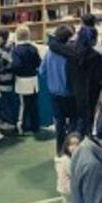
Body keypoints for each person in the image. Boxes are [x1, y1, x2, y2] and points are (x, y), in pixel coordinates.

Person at [65, 27, 102, 136]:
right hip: (92, 92)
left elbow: (68, 73)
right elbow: (101, 76)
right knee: (90, 120)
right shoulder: (95, 56)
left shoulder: (71, 54)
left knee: (76, 120)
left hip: (76, 91)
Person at [41, 25, 75, 153]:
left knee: (59, 123)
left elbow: (42, 71)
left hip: (54, 92)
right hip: (69, 93)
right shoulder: (70, 53)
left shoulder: (49, 53)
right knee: (73, 122)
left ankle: (59, 150)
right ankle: (71, 149)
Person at [11, 25, 41, 135]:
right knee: (34, 104)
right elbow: (39, 63)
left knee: (23, 105)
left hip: (22, 80)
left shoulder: (16, 50)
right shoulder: (33, 48)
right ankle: (35, 126)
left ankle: (22, 127)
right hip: (33, 79)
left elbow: (16, 65)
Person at [55, 133, 84, 203]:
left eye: (77, 144)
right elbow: (75, 174)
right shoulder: (65, 160)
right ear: (66, 146)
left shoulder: (74, 158)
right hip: (68, 191)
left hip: (70, 189)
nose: (74, 147)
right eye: (71, 144)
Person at [0, 28, 17, 130]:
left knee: (5, 102)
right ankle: (9, 121)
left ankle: (9, 122)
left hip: (5, 79)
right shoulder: (9, 46)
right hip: (8, 79)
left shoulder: (6, 49)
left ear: (0, 37)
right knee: (7, 101)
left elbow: (4, 64)